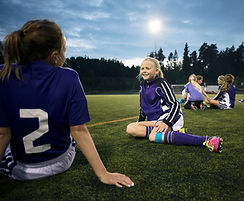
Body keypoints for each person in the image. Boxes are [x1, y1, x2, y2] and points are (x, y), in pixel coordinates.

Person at [0, 19, 133, 188]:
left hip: (22, 169)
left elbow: (3, 135)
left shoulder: (4, 74)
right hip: (62, 161)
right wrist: (103, 174)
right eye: (65, 49)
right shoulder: (70, 77)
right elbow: (79, 130)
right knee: (70, 134)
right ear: (55, 56)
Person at [126, 57, 223, 153]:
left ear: (156, 71)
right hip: (155, 121)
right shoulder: (143, 87)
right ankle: (172, 133)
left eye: (148, 68)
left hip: (170, 117)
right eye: (142, 68)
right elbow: (143, 108)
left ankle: (207, 140)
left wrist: (167, 122)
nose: (144, 71)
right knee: (131, 128)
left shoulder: (161, 83)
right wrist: (140, 122)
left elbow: (175, 104)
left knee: (153, 136)